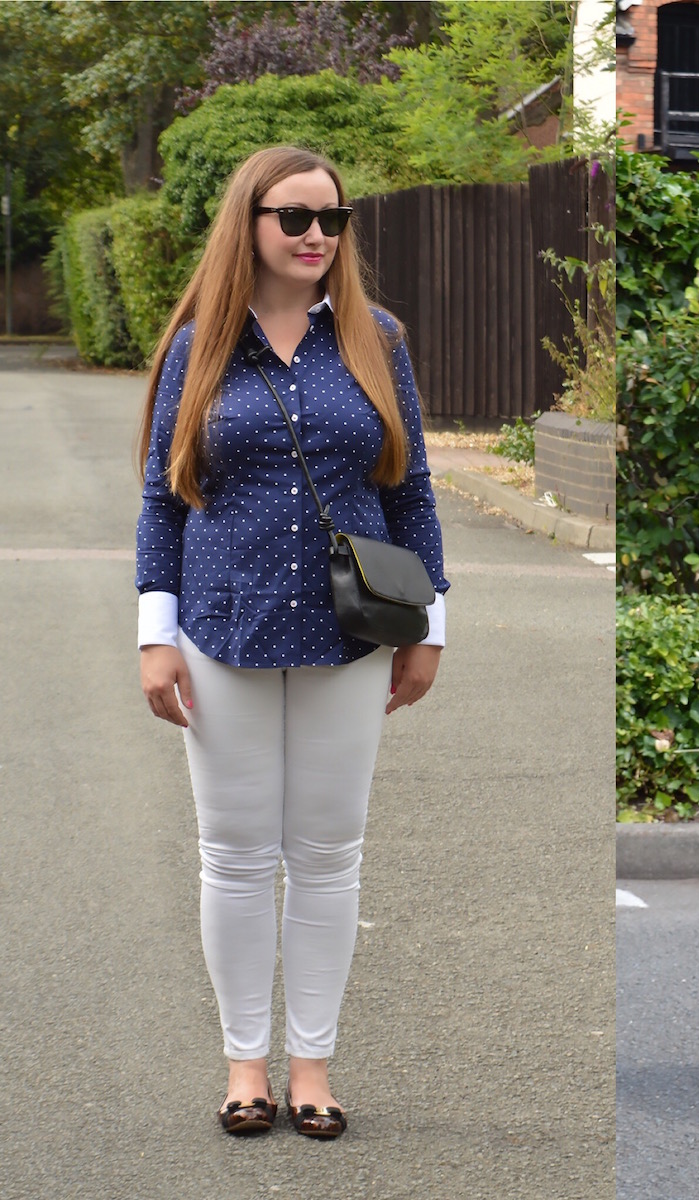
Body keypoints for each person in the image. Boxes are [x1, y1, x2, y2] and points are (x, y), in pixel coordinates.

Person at [136, 145, 448, 1138]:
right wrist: (154, 634)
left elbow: (413, 490)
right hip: (219, 627)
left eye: (333, 219)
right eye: (294, 217)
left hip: (351, 632)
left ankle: (310, 1066)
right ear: (251, 223)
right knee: (233, 857)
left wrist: (429, 626)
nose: (317, 235)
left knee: (327, 857)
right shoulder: (198, 343)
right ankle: (244, 1065)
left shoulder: (374, 337)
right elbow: (161, 497)